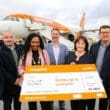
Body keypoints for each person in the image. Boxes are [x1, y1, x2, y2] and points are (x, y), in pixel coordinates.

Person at [18, 33, 53, 110]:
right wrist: (23, 74)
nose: (35, 44)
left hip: (43, 84)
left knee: (46, 105)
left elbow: (48, 66)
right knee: (32, 106)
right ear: (29, 42)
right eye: (33, 42)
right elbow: (20, 67)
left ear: (40, 42)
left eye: (37, 42)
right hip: (30, 84)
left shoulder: (44, 52)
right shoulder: (25, 53)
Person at [66, 36, 95, 110]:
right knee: (74, 105)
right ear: (75, 44)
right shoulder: (70, 55)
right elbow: (64, 70)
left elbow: (92, 72)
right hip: (72, 86)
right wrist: (69, 67)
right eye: (78, 43)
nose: (80, 45)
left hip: (84, 87)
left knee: (82, 106)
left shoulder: (90, 56)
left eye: (82, 43)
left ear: (85, 45)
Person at [45, 28, 68, 110]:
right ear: (51, 35)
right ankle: (50, 106)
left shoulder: (65, 47)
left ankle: (62, 106)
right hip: (49, 74)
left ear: (59, 35)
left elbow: (67, 60)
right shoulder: (45, 47)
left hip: (61, 74)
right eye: (53, 34)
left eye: (56, 34)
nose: (55, 35)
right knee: (50, 92)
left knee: (61, 92)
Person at [90, 25, 110, 110]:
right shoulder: (93, 46)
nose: (105, 34)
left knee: (103, 104)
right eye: (103, 32)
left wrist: (104, 79)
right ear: (99, 34)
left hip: (108, 82)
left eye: (107, 32)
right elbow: (89, 61)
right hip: (93, 80)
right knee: (90, 103)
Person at [0, 31, 22, 110]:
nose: (9, 39)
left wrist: (20, 77)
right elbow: (2, 69)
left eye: (11, 37)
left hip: (19, 83)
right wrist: (13, 80)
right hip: (7, 85)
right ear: (2, 39)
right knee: (7, 106)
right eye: (6, 37)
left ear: (14, 38)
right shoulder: (1, 52)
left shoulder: (20, 49)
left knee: (18, 105)